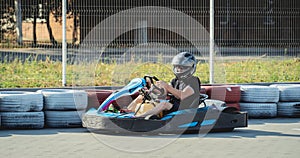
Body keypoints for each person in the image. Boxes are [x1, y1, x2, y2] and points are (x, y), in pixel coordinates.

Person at [127, 52, 201, 118]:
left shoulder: (193, 81)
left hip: (185, 108)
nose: (179, 70)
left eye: (182, 68)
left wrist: (167, 86)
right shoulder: (175, 81)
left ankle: (140, 118)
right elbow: (165, 93)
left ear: (190, 68)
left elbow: (182, 95)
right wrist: (152, 89)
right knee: (142, 96)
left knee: (164, 104)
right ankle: (127, 113)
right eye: (177, 67)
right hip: (173, 105)